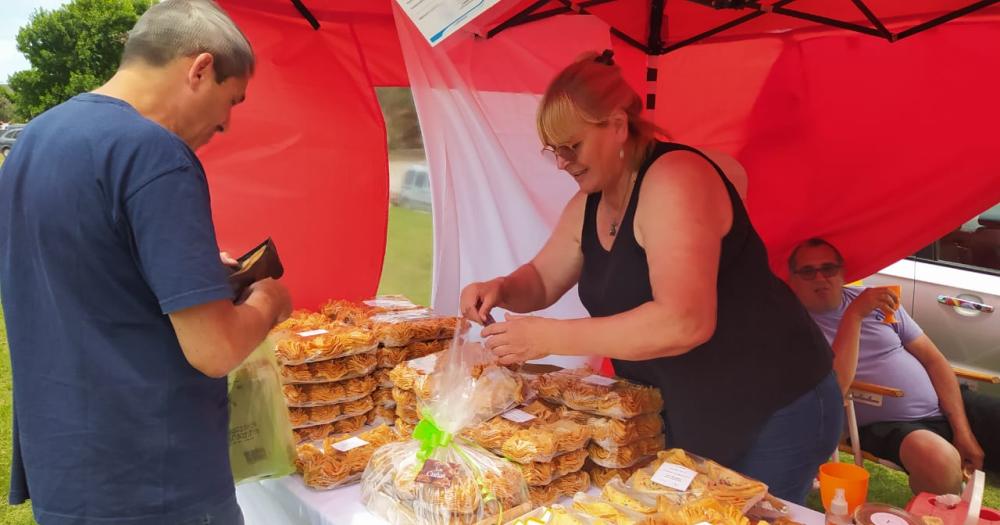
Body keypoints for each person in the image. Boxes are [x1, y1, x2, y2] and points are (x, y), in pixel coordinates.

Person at [459, 50, 841, 504]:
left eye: (572, 146)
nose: (562, 163)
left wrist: (552, 337)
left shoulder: (676, 180)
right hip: (689, 405)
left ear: (617, 125)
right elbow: (542, 280)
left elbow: (684, 321)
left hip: (771, 404)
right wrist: (500, 288)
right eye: (553, 151)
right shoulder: (592, 202)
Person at [0, 1, 291, 523]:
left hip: (66, 466)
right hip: (156, 480)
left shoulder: (33, 141)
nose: (225, 124)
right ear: (200, 68)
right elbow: (215, 348)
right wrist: (269, 301)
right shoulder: (154, 153)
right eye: (231, 101)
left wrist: (195, 271)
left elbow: (81, 272)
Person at [787, 238, 1000, 495]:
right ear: (793, 279)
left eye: (828, 268)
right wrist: (854, 315)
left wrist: (962, 430)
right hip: (887, 424)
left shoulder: (877, 302)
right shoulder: (793, 326)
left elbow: (934, 360)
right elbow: (835, 387)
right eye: (808, 271)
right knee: (937, 459)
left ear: (842, 272)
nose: (820, 277)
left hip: (948, 404)